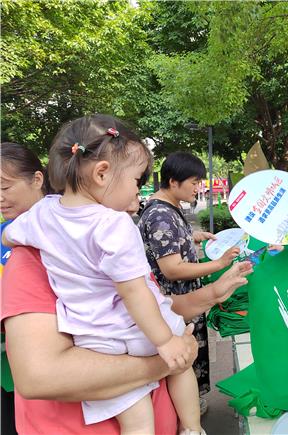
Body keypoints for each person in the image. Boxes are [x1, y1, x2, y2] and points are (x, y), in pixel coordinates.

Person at [3, 116, 202, 435]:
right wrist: (168, 347)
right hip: (132, 331)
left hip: (93, 337)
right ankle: (194, 428)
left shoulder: (43, 215)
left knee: (134, 413)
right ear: (102, 173)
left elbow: (10, 235)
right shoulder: (113, 226)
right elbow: (135, 293)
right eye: (136, 181)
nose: (137, 192)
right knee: (182, 361)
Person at [138, 151, 239, 412]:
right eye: (194, 182)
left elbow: (167, 245)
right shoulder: (161, 215)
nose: (198, 188)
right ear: (173, 182)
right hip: (176, 306)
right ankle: (185, 415)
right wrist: (219, 264)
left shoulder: (167, 210)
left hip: (182, 302)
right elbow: (171, 269)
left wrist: (192, 237)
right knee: (181, 363)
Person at [0, 142, 48, 435]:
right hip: (8, 369)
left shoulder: (67, 226)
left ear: (37, 179)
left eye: (5, 188)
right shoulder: (5, 232)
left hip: (53, 368)